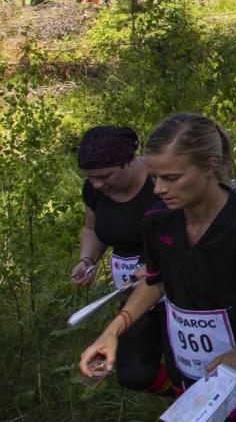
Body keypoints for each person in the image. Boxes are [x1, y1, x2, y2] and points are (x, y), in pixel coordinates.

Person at [78, 114, 236, 422]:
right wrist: (112, 331)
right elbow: (156, 282)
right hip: (192, 373)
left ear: (208, 167)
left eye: (171, 178)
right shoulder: (157, 220)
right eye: (155, 177)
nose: (158, 189)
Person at [71, 126, 170, 395]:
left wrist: (154, 263)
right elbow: (92, 228)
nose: (98, 185)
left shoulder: (159, 181)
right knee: (134, 374)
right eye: (90, 178)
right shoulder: (95, 191)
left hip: (175, 286)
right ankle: (178, 395)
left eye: (105, 176)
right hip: (130, 292)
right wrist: (86, 259)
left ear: (128, 160)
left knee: (188, 362)